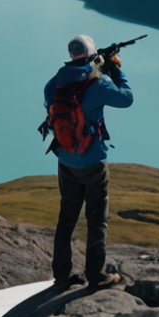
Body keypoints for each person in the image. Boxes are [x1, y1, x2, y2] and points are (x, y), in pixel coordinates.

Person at [45, 32, 134, 290]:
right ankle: (96, 275)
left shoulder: (53, 84)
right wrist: (114, 69)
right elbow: (126, 98)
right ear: (92, 54)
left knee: (67, 218)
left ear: (70, 55)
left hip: (66, 160)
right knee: (96, 219)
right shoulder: (99, 84)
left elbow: (52, 108)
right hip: (93, 161)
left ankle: (61, 276)